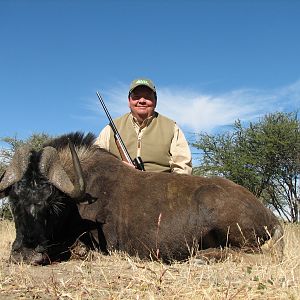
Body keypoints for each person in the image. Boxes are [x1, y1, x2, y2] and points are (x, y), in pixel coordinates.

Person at [94, 78, 192, 174]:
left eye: (147, 97)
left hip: (160, 187)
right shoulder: (111, 128)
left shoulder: (172, 128)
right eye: (136, 96)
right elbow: (95, 162)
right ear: (129, 101)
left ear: (155, 101)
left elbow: (183, 169)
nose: (142, 101)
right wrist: (117, 167)